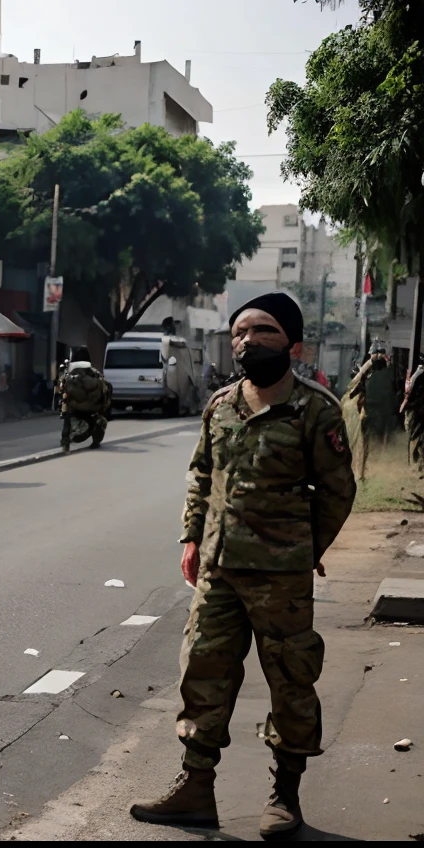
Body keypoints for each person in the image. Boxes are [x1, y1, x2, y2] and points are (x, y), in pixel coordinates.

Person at [130, 291, 355, 837]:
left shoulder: (316, 409)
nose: (248, 341)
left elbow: (337, 490)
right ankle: (195, 788)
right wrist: (190, 538)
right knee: (202, 671)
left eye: (264, 331)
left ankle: (285, 795)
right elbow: (201, 474)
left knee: (290, 679)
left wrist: (306, 547)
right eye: (240, 333)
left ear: (293, 345)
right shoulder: (221, 405)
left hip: (281, 579)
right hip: (218, 570)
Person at [340, 347, 388, 480]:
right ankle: (359, 472)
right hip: (366, 417)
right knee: (362, 446)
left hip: (362, 416)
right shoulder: (356, 386)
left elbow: (357, 382)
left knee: (361, 445)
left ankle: (359, 473)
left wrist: (371, 362)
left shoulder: (363, 384)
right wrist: (371, 361)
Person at [58, 347, 113, 452]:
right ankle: (96, 441)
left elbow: (62, 392)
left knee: (67, 414)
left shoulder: (69, 375)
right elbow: (106, 392)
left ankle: (65, 443)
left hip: (74, 414)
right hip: (92, 413)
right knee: (101, 421)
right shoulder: (96, 375)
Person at [402, 358, 424, 473]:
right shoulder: (418, 375)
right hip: (418, 411)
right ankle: (417, 464)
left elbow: (409, 393)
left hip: (418, 412)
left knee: (414, 438)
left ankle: (416, 465)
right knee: (416, 438)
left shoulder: (417, 376)